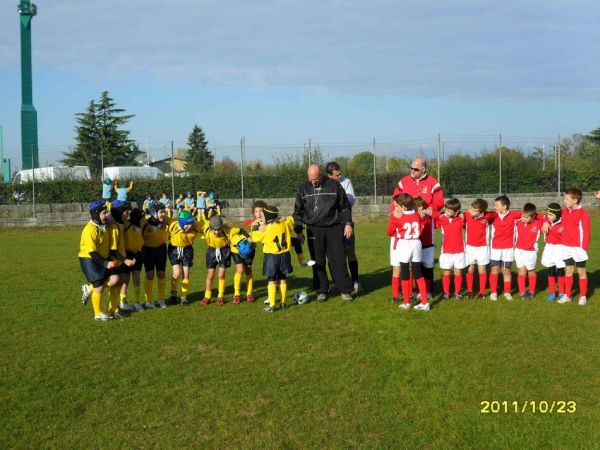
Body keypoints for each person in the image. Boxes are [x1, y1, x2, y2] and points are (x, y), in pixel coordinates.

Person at [293, 164, 354, 302]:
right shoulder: (304, 188)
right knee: (317, 261)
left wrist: (348, 224)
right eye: (310, 180)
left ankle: (345, 290)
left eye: (315, 179)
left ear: (321, 175)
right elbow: (298, 211)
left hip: (334, 228)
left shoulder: (334, 186)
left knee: (338, 260)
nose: (313, 182)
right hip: (314, 229)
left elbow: (344, 206)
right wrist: (299, 231)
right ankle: (321, 290)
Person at [79, 200, 130, 320]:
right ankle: (98, 314)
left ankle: (90, 289)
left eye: (107, 212)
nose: (107, 215)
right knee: (99, 285)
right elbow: (92, 252)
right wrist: (105, 263)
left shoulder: (106, 226)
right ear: (96, 214)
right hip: (89, 259)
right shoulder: (89, 229)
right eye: (104, 213)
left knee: (115, 280)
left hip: (103, 257)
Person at [387, 193, 429, 310]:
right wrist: (423, 217)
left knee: (404, 271)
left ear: (404, 207)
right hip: (416, 242)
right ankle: (425, 303)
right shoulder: (417, 215)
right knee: (417, 272)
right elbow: (422, 226)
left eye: (398, 205)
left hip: (404, 244)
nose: (396, 207)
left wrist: (395, 218)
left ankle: (406, 302)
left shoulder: (399, 216)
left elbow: (390, 232)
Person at [251, 206, 295, 312]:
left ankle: (272, 305)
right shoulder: (284, 224)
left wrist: (256, 226)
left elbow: (253, 237)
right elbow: (291, 220)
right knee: (283, 278)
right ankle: (283, 303)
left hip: (271, 256)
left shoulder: (266, 229)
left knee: (271, 280)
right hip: (284, 255)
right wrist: (282, 218)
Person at [326, 161, 361, 294]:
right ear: (329, 175)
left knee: (350, 251)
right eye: (336, 175)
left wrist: (335, 199)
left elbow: (350, 200)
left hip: (346, 222)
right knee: (333, 255)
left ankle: (356, 281)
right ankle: (336, 282)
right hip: (331, 224)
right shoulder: (325, 184)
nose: (339, 176)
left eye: (340, 173)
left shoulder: (346, 182)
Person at [558, 187, 591, 305]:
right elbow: (551, 216)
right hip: (566, 247)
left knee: (581, 271)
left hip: (578, 248)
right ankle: (568, 296)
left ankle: (582, 296)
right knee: (569, 270)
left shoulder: (583, 214)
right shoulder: (564, 211)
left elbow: (587, 231)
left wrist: (584, 247)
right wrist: (546, 221)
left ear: (575, 200)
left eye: (567, 198)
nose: (564, 201)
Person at [488, 195, 521, 301]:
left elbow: (531, 213)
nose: (495, 207)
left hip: (508, 249)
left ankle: (507, 292)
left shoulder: (514, 215)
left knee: (506, 270)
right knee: (495, 269)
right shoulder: (493, 216)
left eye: (497, 205)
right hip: (495, 248)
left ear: (505, 206)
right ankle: (493, 292)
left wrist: (544, 221)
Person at [434, 198, 466, 300]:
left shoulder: (461, 219)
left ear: (456, 212)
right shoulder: (442, 218)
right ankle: (446, 293)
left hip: (459, 251)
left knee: (458, 272)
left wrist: (462, 214)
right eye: (446, 209)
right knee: (446, 272)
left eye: (448, 210)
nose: (446, 212)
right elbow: (433, 216)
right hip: (446, 251)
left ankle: (457, 293)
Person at [167, 210, 200, 306]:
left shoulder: (195, 227)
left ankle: (184, 297)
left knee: (186, 274)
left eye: (191, 223)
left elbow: (208, 225)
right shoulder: (173, 224)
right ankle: (173, 292)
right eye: (187, 224)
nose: (189, 226)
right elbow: (164, 220)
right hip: (174, 250)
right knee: (176, 273)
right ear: (181, 223)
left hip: (187, 250)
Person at [141, 201, 169, 309]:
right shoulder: (145, 224)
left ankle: (161, 299)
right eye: (161, 212)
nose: (164, 214)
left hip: (161, 250)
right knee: (149, 274)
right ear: (153, 212)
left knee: (161, 274)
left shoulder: (165, 222)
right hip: (147, 251)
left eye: (165, 212)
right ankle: (148, 300)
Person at [464, 199, 494, 299]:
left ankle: (482, 292)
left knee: (482, 269)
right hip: (470, 247)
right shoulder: (466, 215)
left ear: (481, 212)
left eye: (474, 210)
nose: (470, 211)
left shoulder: (488, 216)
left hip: (483, 247)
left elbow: (496, 214)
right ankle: (469, 291)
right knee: (471, 267)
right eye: (471, 208)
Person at [200, 215, 232, 305]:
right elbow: (197, 225)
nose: (217, 232)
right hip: (211, 251)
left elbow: (236, 233)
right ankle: (207, 295)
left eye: (219, 229)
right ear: (210, 228)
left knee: (221, 275)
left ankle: (220, 296)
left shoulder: (227, 231)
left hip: (224, 251)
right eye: (214, 230)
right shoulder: (206, 228)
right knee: (210, 275)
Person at [514, 203, 543, 300]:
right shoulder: (518, 222)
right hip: (519, 251)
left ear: (533, 216)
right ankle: (522, 293)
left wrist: (536, 214)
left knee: (531, 271)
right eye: (523, 216)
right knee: (521, 270)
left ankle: (531, 291)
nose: (524, 219)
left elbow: (544, 217)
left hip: (531, 252)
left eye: (526, 217)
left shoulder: (538, 224)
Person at [122, 207, 146, 311]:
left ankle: (137, 302)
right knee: (125, 279)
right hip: (127, 255)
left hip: (138, 255)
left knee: (137, 278)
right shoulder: (127, 225)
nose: (144, 220)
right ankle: (123, 301)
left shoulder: (143, 227)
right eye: (142, 218)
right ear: (138, 218)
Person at [540, 203, 565, 301]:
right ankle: (552, 293)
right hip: (549, 248)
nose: (548, 216)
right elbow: (538, 216)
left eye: (551, 215)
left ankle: (562, 292)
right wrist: (546, 220)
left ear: (557, 215)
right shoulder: (546, 220)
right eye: (547, 214)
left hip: (560, 249)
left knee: (560, 270)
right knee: (551, 270)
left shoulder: (564, 222)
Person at [414, 196, 435, 299]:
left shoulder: (428, 216)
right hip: (418, 245)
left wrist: (422, 217)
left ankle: (429, 291)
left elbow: (423, 227)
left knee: (428, 269)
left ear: (421, 207)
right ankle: (419, 291)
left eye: (415, 207)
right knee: (418, 269)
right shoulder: (416, 216)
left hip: (428, 246)